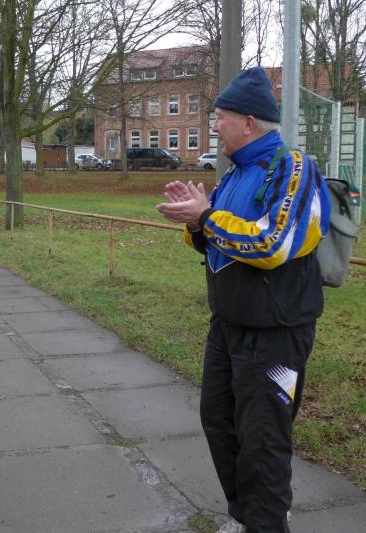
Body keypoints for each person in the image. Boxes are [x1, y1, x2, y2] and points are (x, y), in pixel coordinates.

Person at [156, 67, 331, 533]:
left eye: (220, 118)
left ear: (249, 122)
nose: (214, 126)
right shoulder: (233, 174)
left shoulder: (293, 168)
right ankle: (252, 517)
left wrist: (207, 217)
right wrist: (196, 223)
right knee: (219, 422)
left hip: (275, 335)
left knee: (263, 443)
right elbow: (219, 245)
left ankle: (267, 521)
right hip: (228, 327)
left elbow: (272, 243)